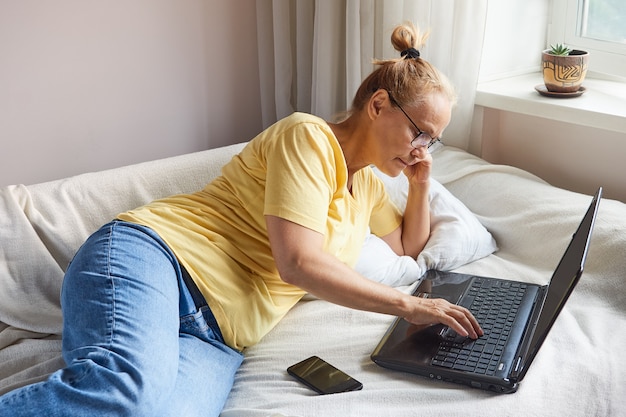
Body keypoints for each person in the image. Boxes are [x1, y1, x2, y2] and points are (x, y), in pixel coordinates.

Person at [0, 22, 482, 417]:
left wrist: (419, 185)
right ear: (378, 106)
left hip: (219, 338)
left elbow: (407, 247)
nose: (422, 148)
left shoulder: (372, 185)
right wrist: (407, 306)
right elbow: (297, 262)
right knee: (123, 391)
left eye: (432, 141)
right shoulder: (308, 137)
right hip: (156, 258)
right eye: (420, 132)